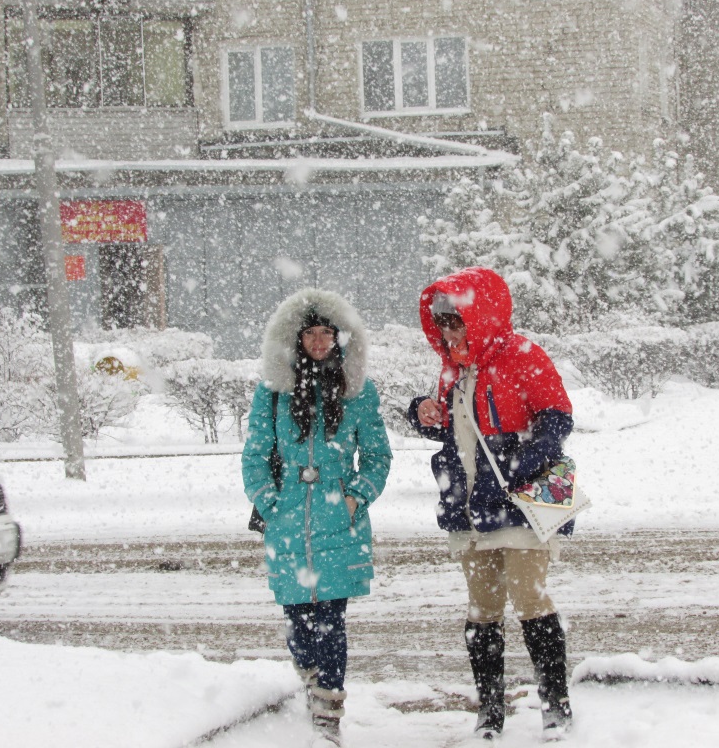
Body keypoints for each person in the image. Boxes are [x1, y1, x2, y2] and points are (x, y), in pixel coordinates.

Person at [406, 267, 576, 741]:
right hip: (468, 502)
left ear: (480, 314)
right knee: (481, 607)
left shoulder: (522, 355)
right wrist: (424, 412)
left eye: (456, 320)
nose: (448, 330)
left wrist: (522, 458)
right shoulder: (452, 369)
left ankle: (556, 708)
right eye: (441, 322)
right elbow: (452, 429)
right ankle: (490, 712)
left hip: (518, 499)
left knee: (529, 597)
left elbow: (557, 417)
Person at [242, 288, 392, 747]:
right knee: (298, 623)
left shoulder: (357, 392)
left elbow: (377, 457)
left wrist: (354, 498)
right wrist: (271, 502)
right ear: (298, 338)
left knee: (330, 621)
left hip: (337, 523)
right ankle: (312, 688)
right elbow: (254, 457)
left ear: (339, 338)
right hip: (288, 524)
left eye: (328, 333)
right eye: (312, 333)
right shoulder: (272, 395)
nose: (321, 341)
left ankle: (328, 718)